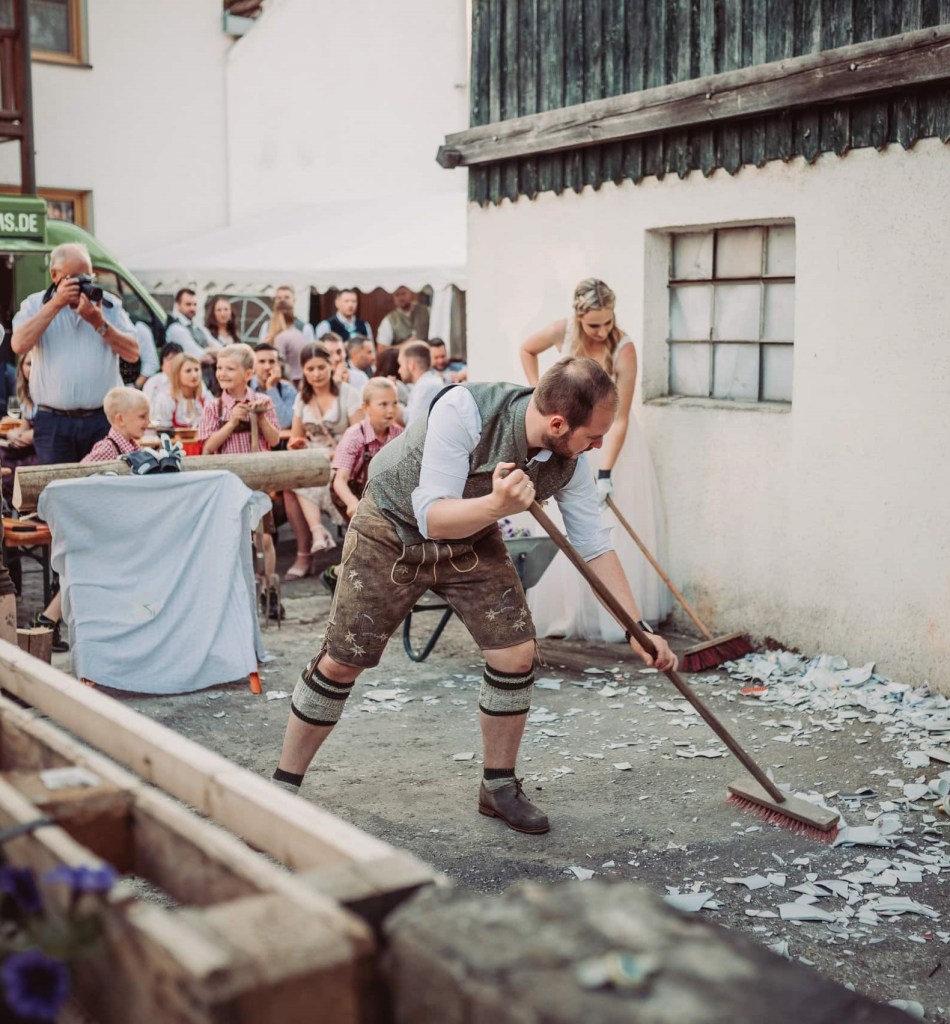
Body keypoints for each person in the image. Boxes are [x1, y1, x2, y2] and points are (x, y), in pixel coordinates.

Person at [272, 357, 677, 834]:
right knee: (343, 660)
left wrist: (638, 627)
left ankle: (498, 787)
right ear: (557, 423)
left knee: (515, 652)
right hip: (392, 527)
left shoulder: (572, 461)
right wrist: (497, 505)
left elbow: (592, 544)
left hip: (472, 538)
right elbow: (432, 517)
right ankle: (282, 786)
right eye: (593, 435)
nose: (600, 445)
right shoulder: (465, 410)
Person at [519, 278, 671, 639]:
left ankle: (621, 619)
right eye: (594, 324)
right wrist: (540, 395)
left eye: (608, 321)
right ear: (578, 316)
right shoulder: (564, 330)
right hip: (567, 436)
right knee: (565, 522)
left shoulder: (624, 348)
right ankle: (568, 614)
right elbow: (527, 349)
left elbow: (619, 418)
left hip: (610, 444)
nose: (602, 331)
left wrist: (605, 472)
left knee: (599, 532)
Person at [11, 242, 140, 465]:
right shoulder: (34, 305)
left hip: (102, 418)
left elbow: (133, 353)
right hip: (53, 423)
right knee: (58, 490)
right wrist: (55, 304)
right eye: (75, 279)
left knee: (102, 488)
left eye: (87, 279)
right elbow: (19, 345)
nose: (83, 286)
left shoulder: (109, 306)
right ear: (55, 275)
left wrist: (99, 323)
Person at [199, 343, 281, 615]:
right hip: (228, 482)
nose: (222, 373)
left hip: (255, 481)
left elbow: (274, 439)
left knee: (264, 538)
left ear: (247, 373)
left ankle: (269, 589)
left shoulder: (264, 401)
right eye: (220, 368)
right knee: (235, 538)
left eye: (230, 368)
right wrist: (232, 423)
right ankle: (235, 590)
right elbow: (207, 447)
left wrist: (260, 418)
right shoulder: (214, 407)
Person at [285, 344, 362, 571]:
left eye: (321, 367)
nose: (316, 374)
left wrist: (337, 452)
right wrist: (297, 444)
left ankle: (317, 535)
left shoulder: (348, 393)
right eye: (310, 369)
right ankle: (308, 546)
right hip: (314, 456)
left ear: (331, 366)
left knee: (302, 482)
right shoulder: (302, 398)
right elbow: (295, 437)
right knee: (290, 483)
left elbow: (360, 434)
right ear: (304, 371)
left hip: (344, 456)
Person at [1, 353, 37, 505]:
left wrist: (31, 435)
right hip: (27, 440)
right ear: (21, 367)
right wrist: (14, 434)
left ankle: (19, 502)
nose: (32, 369)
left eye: (35, 364)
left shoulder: (52, 393)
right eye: (28, 364)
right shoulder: (24, 390)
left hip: (41, 442)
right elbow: (26, 420)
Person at [81, 387, 150, 463]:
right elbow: (81, 470)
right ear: (121, 419)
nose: (148, 421)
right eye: (142, 416)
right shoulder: (107, 450)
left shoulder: (134, 447)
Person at [150, 353, 210, 431]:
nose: (194, 375)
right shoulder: (166, 399)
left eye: (197, 370)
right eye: (188, 371)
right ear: (177, 374)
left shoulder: (205, 397)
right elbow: (163, 433)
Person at [165, 288, 221, 366]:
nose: (192, 308)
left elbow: (222, 350)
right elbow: (199, 356)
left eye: (194, 304)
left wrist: (208, 351)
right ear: (178, 305)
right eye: (188, 304)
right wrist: (211, 351)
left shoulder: (199, 327)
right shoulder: (175, 328)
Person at [250, 343, 297, 429]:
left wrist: (271, 387)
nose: (267, 367)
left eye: (272, 361)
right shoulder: (245, 387)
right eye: (262, 361)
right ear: (253, 365)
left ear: (278, 365)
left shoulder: (288, 389)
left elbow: (284, 423)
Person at [399, 340, 446, 426]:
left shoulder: (427, 387)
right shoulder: (423, 384)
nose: (399, 370)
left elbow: (413, 432)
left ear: (411, 365)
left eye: (401, 365)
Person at [266, 300, 308, 389]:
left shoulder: (281, 338)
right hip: (301, 380)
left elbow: (279, 366)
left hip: (288, 383)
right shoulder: (299, 334)